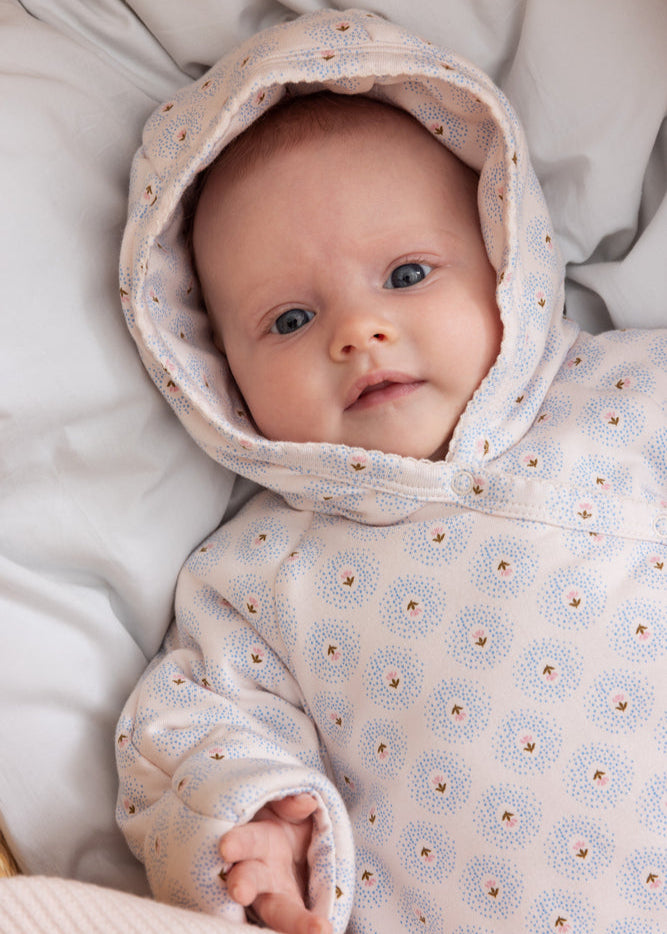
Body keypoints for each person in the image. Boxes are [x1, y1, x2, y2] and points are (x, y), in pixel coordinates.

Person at [116, 9, 667, 934]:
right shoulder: (252, 578)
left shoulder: (632, 392)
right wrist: (258, 824)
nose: (355, 332)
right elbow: (185, 737)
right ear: (214, 370)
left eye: (406, 273)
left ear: (502, 260)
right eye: (289, 321)